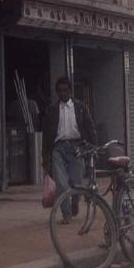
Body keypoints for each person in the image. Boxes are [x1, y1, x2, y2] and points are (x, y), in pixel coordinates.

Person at [42, 76, 96, 224]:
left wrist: (93, 147)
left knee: (77, 181)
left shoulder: (81, 108)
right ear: (57, 93)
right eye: (60, 91)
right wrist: (45, 158)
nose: (63, 93)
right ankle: (66, 214)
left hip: (76, 147)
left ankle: (75, 202)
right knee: (61, 183)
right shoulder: (52, 110)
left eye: (65, 90)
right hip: (58, 148)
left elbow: (90, 128)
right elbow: (46, 135)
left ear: (71, 91)